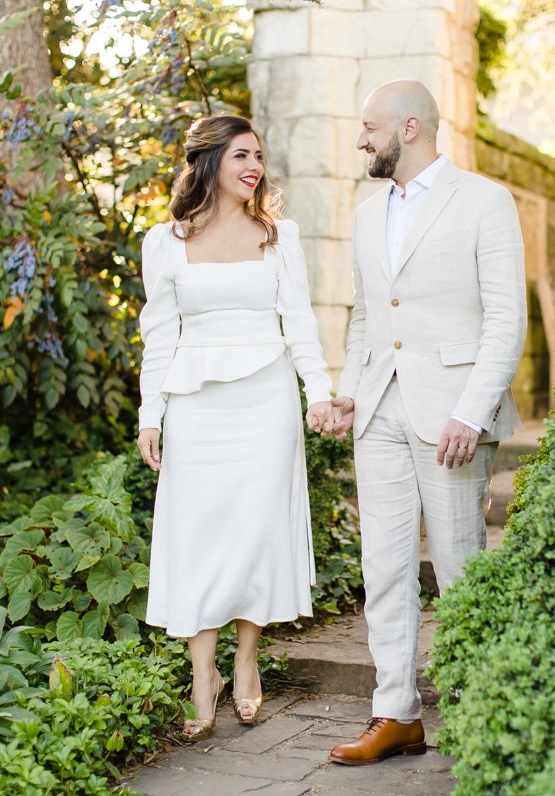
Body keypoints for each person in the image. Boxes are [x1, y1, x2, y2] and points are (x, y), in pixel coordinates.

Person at [328, 80, 527, 765]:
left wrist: (470, 410)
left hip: (450, 415)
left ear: (408, 128)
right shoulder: (363, 212)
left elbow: (506, 318)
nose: (360, 140)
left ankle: (478, 713)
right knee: (382, 568)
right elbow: (365, 314)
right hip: (379, 408)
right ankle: (395, 715)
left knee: (459, 567)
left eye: (367, 128)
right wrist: (351, 390)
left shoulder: (484, 201)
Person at [136, 113, 335, 741]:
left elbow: (299, 322)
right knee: (198, 534)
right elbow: (159, 335)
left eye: (258, 156)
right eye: (241, 156)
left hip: (266, 401)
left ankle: (245, 662)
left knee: (255, 531)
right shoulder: (164, 241)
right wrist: (152, 411)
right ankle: (203, 677)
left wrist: (319, 392)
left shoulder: (280, 236)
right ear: (209, 162)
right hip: (195, 404)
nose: (254, 167)